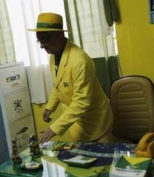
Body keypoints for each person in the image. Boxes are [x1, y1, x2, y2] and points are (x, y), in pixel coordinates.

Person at [28, 12, 113, 144]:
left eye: (44, 40)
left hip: (95, 122)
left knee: (102, 163)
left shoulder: (79, 61)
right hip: (76, 124)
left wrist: (53, 129)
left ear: (59, 35)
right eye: (39, 41)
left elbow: (81, 102)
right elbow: (59, 85)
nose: (41, 46)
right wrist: (50, 107)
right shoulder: (54, 55)